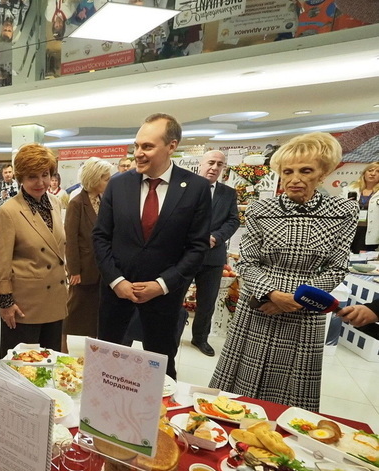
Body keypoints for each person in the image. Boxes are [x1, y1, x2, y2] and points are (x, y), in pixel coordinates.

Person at [209, 132, 358, 412]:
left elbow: (338, 267)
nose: (295, 179)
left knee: (293, 395)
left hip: (306, 310)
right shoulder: (261, 208)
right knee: (239, 393)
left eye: (306, 171)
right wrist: (273, 294)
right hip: (259, 306)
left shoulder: (343, 211)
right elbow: (247, 262)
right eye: (287, 171)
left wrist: (296, 299)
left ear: (323, 173)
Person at [93, 113, 212, 380]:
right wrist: (117, 281)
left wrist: (161, 284)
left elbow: (196, 248)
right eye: (136, 146)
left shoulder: (195, 188)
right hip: (116, 297)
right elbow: (100, 237)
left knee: (160, 371)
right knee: (107, 368)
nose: (138, 153)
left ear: (172, 146)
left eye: (147, 147)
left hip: (163, 300)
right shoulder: (117, 185)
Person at [0, 143, 68, 358]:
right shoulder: (9, 211)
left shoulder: (55, 202)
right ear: (20, 178)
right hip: (24, 306)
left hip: (54, 299)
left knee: (51, 363)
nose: (40, 182)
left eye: (45, 175)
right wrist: (5, 303)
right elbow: (1, 263)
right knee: (21, 369)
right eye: (32, 176)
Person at [190, 150, 240, 357]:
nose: (214, 167)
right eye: (211, 162)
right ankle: (171, 336)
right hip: (184, 253)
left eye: (219, 164)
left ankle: (200, 338)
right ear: (201, 165)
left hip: (213, 255)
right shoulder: (185, 189)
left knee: (207, 301)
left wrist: (215, 237)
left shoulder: (228, 193)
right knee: (173, 299)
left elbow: (233, 220)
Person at [63, 158, 113, 344]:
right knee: (74, 306)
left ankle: (94, 342)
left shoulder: (102, 200)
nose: (109, 182)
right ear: (93, 179)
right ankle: (62, 340)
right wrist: (74, 270)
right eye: (105, 179)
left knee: (95, 308)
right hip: (83, 267)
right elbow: (71, 239)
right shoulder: (77, 203)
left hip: (100, 267)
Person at [349, 161, 379, 253]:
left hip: (370, 232)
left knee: (364, 260)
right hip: (351, 230)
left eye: (378, 172)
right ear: (364, 173)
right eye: (370, 170)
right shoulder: (349, 189)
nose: (373, 174)